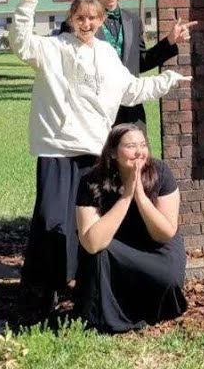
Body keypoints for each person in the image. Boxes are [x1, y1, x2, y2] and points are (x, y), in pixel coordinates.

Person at [9, 0, 190, 319]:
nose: (87, 24)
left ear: (100, 22)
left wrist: (167, 80)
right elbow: (21, 44)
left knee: (93, 225)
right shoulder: (52, 48)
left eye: (93, 19)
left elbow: (132, 89)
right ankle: (44, 295)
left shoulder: (107, 55)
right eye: (81, 18)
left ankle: (87, 292)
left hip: (94, 152)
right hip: (57, 150)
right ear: (71, 18)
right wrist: (28, 1)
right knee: (51, 223)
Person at [75, 123, 188, 333]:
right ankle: (105, 320)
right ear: (113, 152)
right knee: (99, 254)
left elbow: (164, 233)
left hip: (156, 247)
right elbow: (92, 243)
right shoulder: (91, 181)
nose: (139, 152)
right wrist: (126, 197)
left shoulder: (161, 173)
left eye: (143, 145)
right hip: (116, 248)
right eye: (130, 146)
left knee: (168, 279)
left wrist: (141, 198)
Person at [63, 0, 197, 126]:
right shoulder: (76, 24)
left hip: (131, 112)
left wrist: (169, 41)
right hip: (94, 114)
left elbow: (140, 63)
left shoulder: (133, 21)